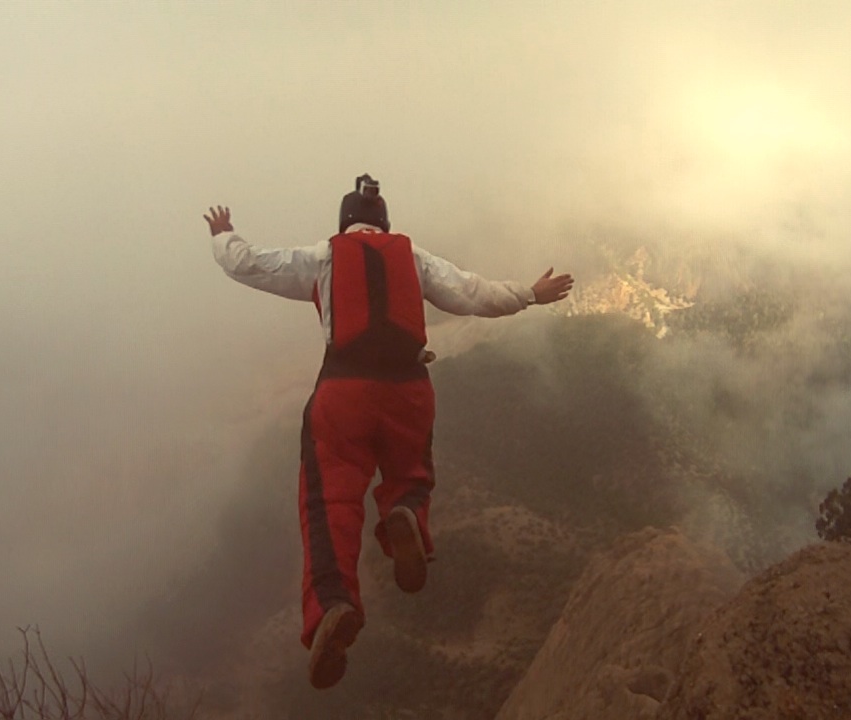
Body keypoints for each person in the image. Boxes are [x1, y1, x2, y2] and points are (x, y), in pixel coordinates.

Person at [202, 175, 574, 690]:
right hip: (407, 389)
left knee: (329, 504)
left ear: (343, 223)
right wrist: (529, 294)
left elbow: (254, 265)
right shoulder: (412, 257)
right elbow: (471, 293)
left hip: (344, 393)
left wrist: (225, 236)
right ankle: (407, 517)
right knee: (412, 472)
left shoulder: (324, 257)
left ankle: (332, 604)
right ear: (386, 224)